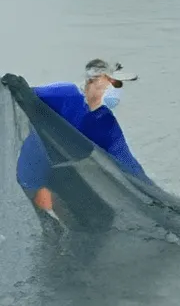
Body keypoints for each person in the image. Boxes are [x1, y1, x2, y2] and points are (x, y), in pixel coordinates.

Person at [12, 60, 148, 221]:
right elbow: (23, 96)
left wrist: (150, 193)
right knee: (50, 220)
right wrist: (16, 87)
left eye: (115, 86)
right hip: (34, 172)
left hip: (68, 172)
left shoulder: (105, 123)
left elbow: (127, 162)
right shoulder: (63, 94)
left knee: (101, 219)